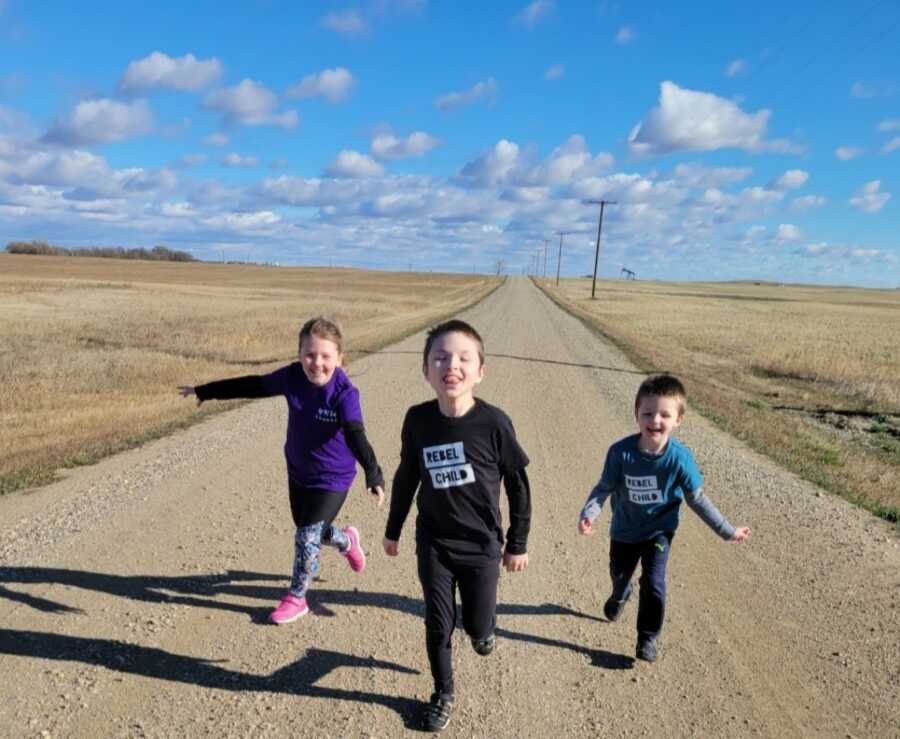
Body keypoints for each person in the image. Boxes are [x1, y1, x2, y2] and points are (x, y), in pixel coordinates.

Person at [178, 317, 384, 624]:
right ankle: (347, 541)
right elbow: (253, 385)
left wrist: (373, 472)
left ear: (339, 359)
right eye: (310, 355)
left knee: (306, 536)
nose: (317, 363)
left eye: (326, 356)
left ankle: (297, 598)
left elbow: (356, 434)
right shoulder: (291, 377)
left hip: (333, 478)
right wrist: (206, 391)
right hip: (299, 471)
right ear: (300, 354)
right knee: (311, 531)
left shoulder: (344, 393)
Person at [383, 320, 531, 733]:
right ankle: (443, 692)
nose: (452, 365)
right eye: (441, 357)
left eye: (464, 358)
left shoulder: (495, 423)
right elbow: (406, 477)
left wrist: (516, 544)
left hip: (482, 545)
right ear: (426, 370)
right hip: (434, 542)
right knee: (437, 620)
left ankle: (484, 630)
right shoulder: (417, 420)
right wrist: (393, 530)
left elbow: (519, 487)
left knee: (477, 626)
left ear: (480, 371)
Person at [578, 374, 750, 663]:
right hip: (624, 530)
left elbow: (696, 498)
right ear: (637, 414)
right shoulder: (620, 453)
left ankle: (647, 637)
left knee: (655, 582)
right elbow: (604, 487)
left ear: (678, 420)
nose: (654, 420)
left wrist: (727, 531)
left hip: (659, 531)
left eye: (664, 414)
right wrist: (589, 513)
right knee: (620, 576)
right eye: (647, 412)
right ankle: (621, 593)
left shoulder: (680, 459)